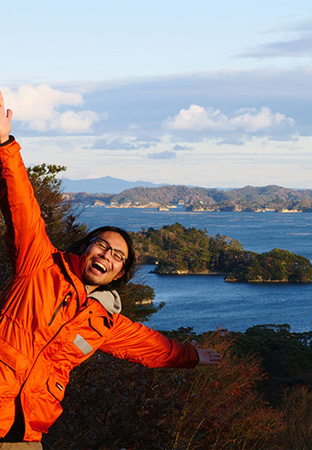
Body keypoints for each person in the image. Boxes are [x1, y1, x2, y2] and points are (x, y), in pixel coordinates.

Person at [0, 91, 221, 449]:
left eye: (118, 256)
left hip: (26, 435)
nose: (108, 254)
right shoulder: (41, 265)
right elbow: (22, 206)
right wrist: (6, 144)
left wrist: (191, 355)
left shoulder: (103, 322)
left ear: (119, 274)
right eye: (102, 245)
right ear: (85, 249)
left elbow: (152, 348)